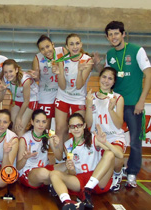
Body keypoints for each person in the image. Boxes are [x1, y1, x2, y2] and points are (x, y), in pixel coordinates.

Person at [93, 21, 151, 187]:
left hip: (133, 104)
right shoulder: (110, 53)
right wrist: (98, 65)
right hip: (114, 103)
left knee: (134, 141)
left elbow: (149, 74)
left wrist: (142, 100)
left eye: (116, 33)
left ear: (123, 34)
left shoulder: (136, 50)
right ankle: (109, 168)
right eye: (110, 34)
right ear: (107, 37)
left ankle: (131, 173)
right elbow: (106, 76)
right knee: (108, 136)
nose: (113, 37)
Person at [50, 113, 123, 209]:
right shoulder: (67, 145)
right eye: (73, 126)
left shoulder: (94, 138)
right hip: (81, 179)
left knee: (109, 154)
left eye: (79, 125)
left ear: (84, 125)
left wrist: (105, 142)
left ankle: (88, 189)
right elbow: (73, 173)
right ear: (69, 128)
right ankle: (67, 202)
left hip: (98, 179)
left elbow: (120, 155)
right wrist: (71, 169)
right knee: (54, 174)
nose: (76, 129)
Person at [54, 33, 93, 161]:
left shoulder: (87, 60)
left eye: (77, 43)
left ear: (81, 45)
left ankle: (78, 159)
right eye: (71, 44)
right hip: (63, 96)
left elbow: (79, 85)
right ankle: (61, 160)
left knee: (78, 130)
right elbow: (62, 86)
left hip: (78, 98)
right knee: (60, 129)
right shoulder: (62, 59)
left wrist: (80, 70)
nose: (75, 46)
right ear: (67, 46)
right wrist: (59, 68)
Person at [85, 67, 126, 191]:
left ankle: (118, 173)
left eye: (110, 78)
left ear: (114, 82)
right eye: (104, 77)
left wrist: (110, 109)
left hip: (114, 137)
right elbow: (88, 123)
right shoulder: (91, 97)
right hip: (97, 138)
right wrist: (88, 106)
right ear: (99, 78)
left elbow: (119, 124)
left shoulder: (118, 98)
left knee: (116, 156)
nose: (106, 81)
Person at [17, 109, 66, 190]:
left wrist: (56, 145)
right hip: (29, 173)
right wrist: (25, 158)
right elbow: (18, 167)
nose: (41, 124)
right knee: (43, 172)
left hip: (45, 169)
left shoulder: (48, 134)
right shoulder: (24, 139)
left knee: (67, 166)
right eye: (37, 121)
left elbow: (59, 158)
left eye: (43, 122)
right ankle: (56, 182)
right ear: (32, 122)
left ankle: (53, 182)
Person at [29, 35, 66, 130]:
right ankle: (44, 144)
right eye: (42, 49)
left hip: (62, 93)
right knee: (45, 125)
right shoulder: (37, 58)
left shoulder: (62, 51)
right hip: (46, 95)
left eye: (48, 46)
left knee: (62, 126)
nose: (46, 51)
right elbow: (36, 78)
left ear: (52, 45)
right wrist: (35, 76)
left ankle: (58, 144)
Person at [0, 59, 38, 137]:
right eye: (5, 72)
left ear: (16, 70)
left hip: (31, 100)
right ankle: (15, 147)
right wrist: (1, 91)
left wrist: (19, 117)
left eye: (10, 71)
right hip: (17, 99)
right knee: (14, 129)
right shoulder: (5, 79)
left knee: (20, 129)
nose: (8, 75)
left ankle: (23, 147)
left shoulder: (25, 80)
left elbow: (26, 101)